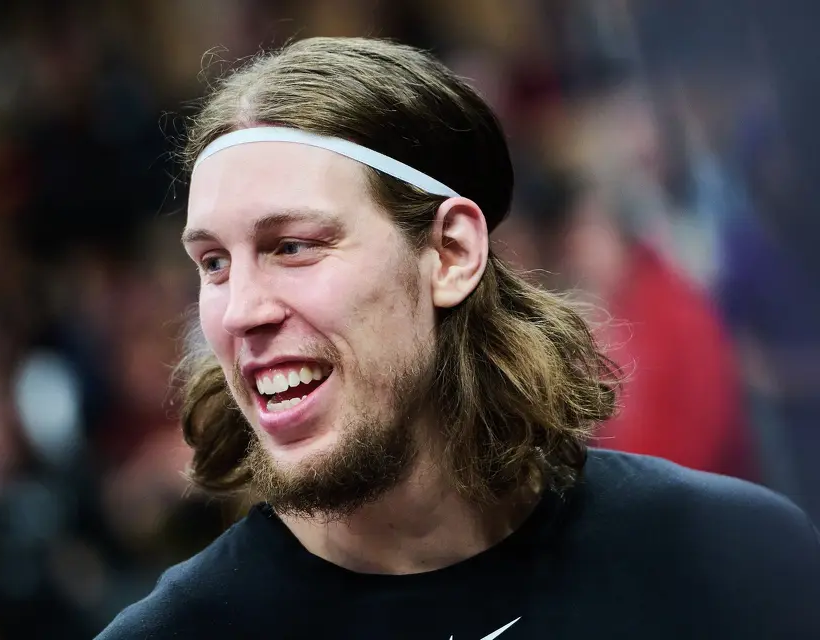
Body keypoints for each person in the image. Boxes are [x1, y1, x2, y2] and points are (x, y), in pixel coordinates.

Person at [97, 37, 820, 639]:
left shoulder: (730, 559)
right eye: (214, 264)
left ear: (450, 254)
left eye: (293, 246)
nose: (238, 311)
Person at [501, 163, 756, 480]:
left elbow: (701, 432)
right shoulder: (614, 306)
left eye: (588, 231)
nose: (575, 246)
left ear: (620, 236)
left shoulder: (674, 311)